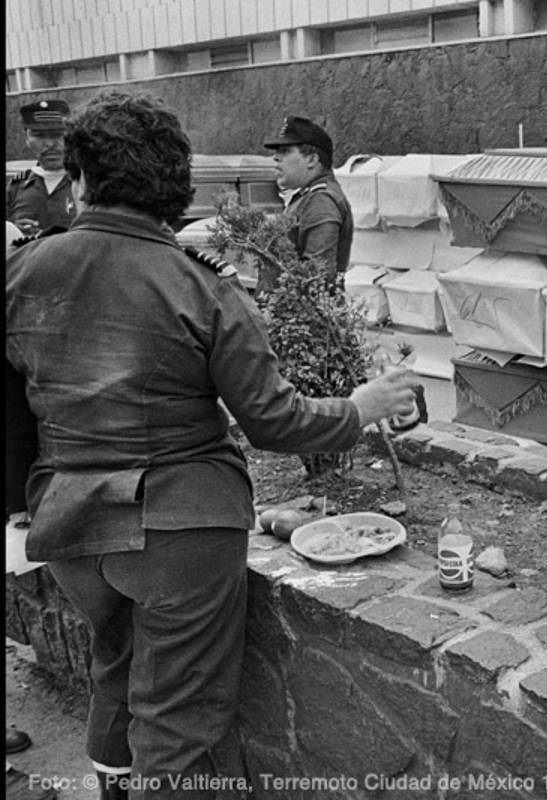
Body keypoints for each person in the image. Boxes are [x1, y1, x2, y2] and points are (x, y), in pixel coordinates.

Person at [6, 91, 420, 799]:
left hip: (70, 523)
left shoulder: (22, 272)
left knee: (117, 666)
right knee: (179, 724)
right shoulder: (202, 288)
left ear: (79, 181)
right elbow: (274, 421)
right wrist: (359, 407)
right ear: (174, 183)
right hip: (180, 531)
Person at [262, 114, 353, 290]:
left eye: (285, 151)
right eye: (277, 152)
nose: (276, 158)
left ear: (312, 159)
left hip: (300, 315)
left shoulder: (321, 201)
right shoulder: (308, 197)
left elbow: (316, 278)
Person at [7, 98, 76, 236]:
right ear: (27, 139)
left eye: (57, 134)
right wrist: (13, 231)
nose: (50, 144)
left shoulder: (89, 183)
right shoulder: (16, 187)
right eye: (39, 136)